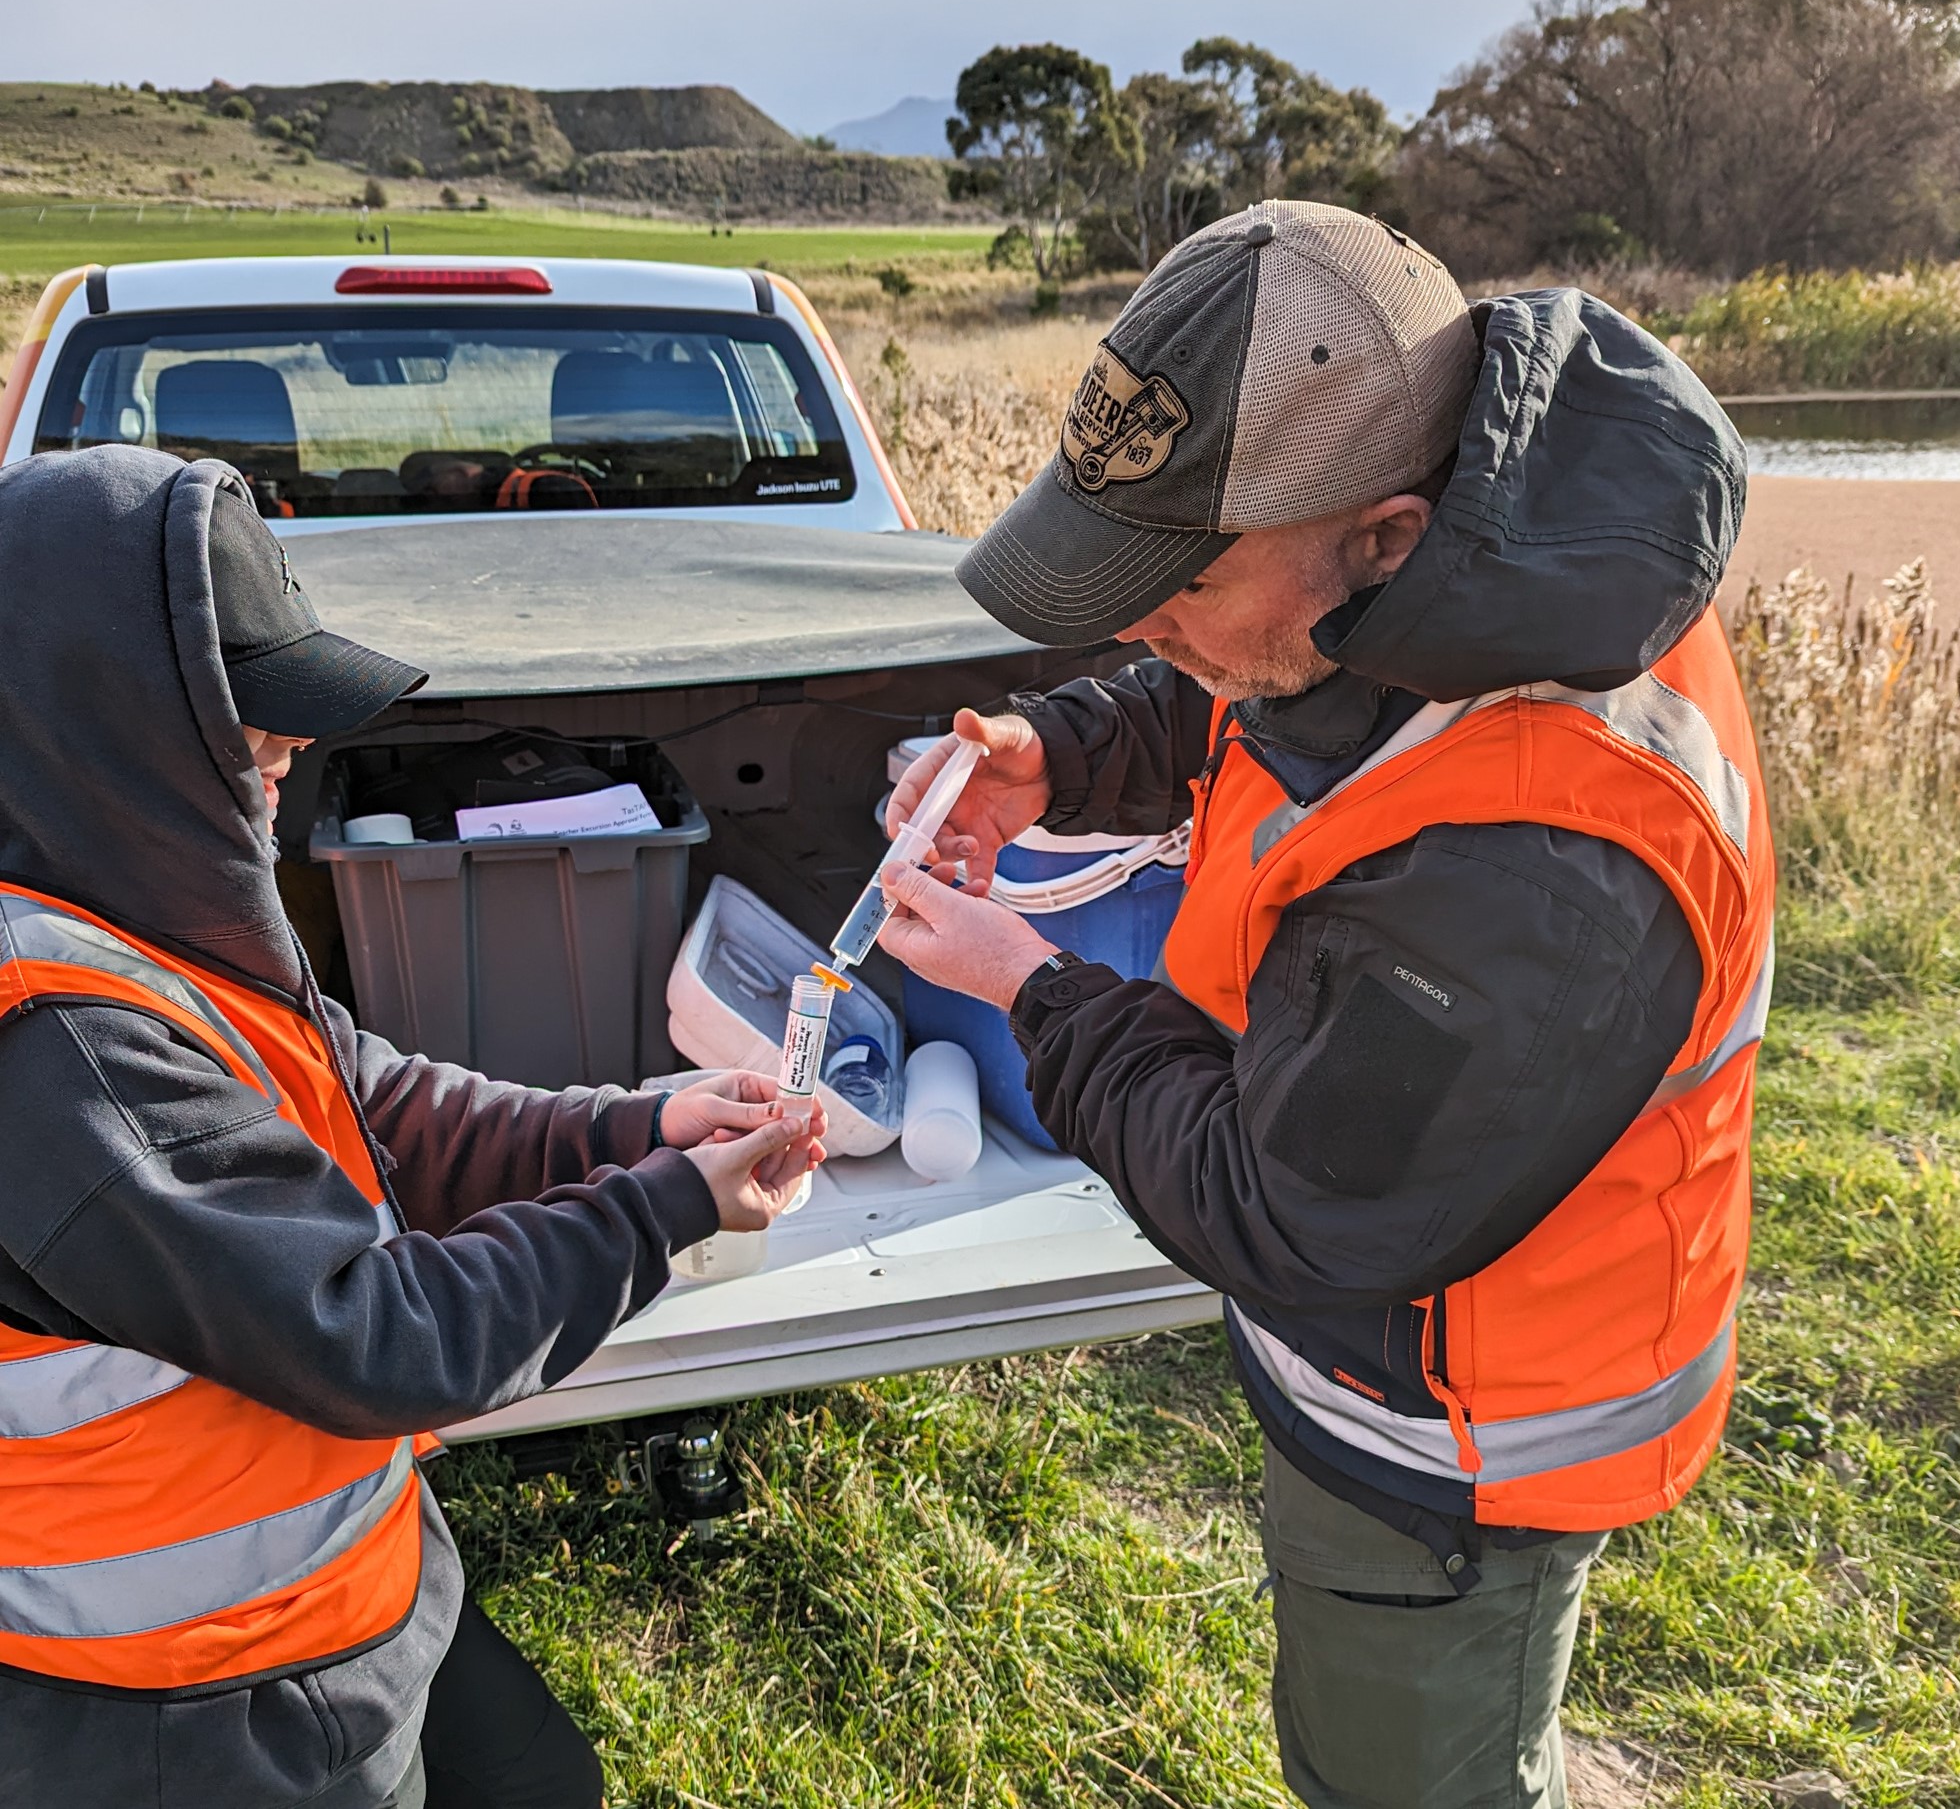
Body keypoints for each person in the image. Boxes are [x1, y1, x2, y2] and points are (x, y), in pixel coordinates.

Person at [879, 202, 1773, 1808]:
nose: (1134, 625)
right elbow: (1273, 689)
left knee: (1413, 1776)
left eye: (1176, 581)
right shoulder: (1476, 573)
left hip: (1465, 1447)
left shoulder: (1537, 868)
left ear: (1391, 530)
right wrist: (1061, 756)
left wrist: (1034, 989)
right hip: (1403, 1352)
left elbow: (1281, 1206)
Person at [0, 446, 824, 1809]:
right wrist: (666, 1204)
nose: (286, 755)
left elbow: (369, 1095)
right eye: (243, 719)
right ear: (101, 725)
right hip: (192, 1711)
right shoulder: (61, 1054)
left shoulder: (120, 903)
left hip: (338, 1602)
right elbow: (374, 1331)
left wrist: (640, 1123)